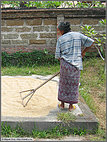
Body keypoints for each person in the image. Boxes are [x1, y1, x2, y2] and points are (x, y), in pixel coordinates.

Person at [55, 22, 94, 111]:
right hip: (76, 65)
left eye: (59, 30)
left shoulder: (61, 39)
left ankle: (62, 104)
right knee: (73, 85)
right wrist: (83, 52)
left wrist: (64, 61)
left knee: (63, 84)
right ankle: (71, 106)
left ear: (62, 30)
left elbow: (57, 56)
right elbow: (91, 42)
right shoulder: (78, 35)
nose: (58, 32)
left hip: (65, 65)